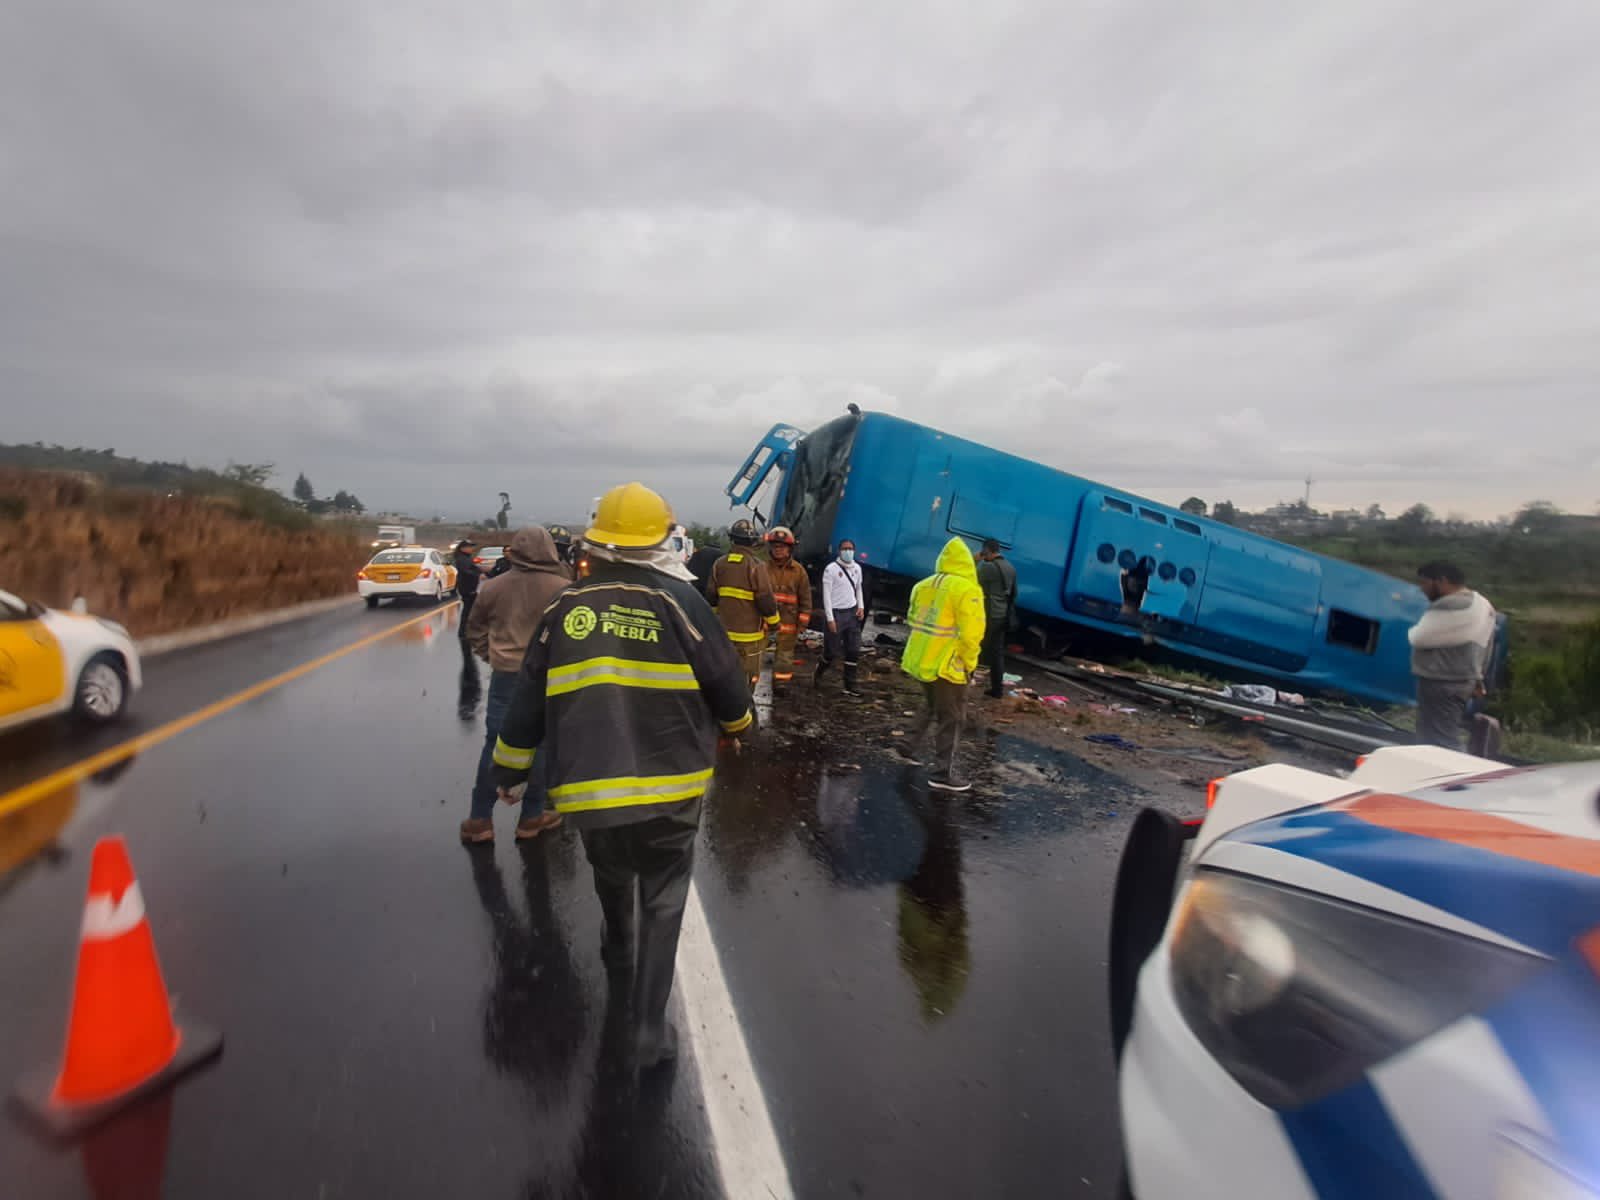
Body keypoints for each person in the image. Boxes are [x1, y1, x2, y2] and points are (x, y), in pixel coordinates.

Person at [492, 482, 754, 1069]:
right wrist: (740, 728)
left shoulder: (566, 608)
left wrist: (507, 772)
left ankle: (617, 946)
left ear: (599, 540)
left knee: (611, 870)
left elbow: (527, 700)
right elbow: (727, 684)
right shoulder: (683, 604)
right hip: (672, 787)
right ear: (662, 537)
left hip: (591, 788)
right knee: (664, 897)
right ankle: (644, 1031)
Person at [461, 526, 572, 844]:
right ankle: (531, 818)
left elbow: (475, 630)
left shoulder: (493, 588)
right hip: (547, 678)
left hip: (506, 677)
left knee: (495, 745)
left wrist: (492, 655)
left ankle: (480, 820)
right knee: (542, 744)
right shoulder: (563, 589)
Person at [898, 538, 986, 791]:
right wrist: (969, 665)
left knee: (931, 703)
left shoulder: (923, 585)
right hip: (948, 665)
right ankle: (941, 774)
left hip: (921, 661)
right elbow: (971, 635)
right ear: (967, 562)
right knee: (953, 717)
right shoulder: (968, 590)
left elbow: (913, 619)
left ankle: (907, 743)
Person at [1409, 561, 1496, 749]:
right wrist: (1478, 678)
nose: (1422, 590)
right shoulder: (1485, 606)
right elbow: (1487, 647)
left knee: (1439, 739)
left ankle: (1457, 776)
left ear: (1442, 581)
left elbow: (1418, 637)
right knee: (1443, 734)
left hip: (1441, 681)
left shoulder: (1448, 604)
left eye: (1425, 583)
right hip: (1465, 681)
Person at [707, 519, 779, 688]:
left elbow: (711, 596)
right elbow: (765, 598)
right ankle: (744, 710)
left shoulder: (719, 564)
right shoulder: (756, 566)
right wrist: (775, 623)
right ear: (753, 542)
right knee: (747, 679)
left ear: (732, 539)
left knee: (725, 676)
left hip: (723, 634)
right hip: (750, 637)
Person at [813, 539, 865, 696]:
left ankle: (850, 685)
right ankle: (819, 672)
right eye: (845, 549)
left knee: (853, 650)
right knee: (832, 652)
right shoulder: (831, 569)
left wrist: (860, 606)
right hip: (836, 613)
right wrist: (830, 619)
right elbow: (826, 596)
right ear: (839, 550)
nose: (848, 551)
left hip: (852, 613)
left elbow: (858, 588)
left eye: (850, 549)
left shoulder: (857, 568)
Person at [763, 526, 813, 689]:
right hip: (764, 623)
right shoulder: (761, 568)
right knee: (755, 654)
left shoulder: (799, 571)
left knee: (784, 655)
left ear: (789, 549)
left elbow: (806, 599)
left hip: (788, 622)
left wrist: (802, 623)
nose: (778, 550)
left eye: (782, 547)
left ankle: (781, 683)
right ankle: (748, 682)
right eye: (775, 546)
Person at [975, 539, 1017, 699]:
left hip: (988, 613)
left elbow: (972, 580)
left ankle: (964, 682)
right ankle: (997, 690)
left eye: (983, 551)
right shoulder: (1011, 568)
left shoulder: (987, 567)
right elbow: (1014, 593)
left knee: (974, 646)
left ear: (987, 550)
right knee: (997, 653)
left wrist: (975, 560)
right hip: (1002, 615)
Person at [453, 538, 483, 635]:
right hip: (466, 587)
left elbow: (474, 568)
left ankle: (467, 629)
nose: (471, 549)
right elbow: (466, 571)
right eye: (469, 547)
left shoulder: (467, 557)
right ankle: (463, 630)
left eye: (471, 547)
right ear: (462, 548)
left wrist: (481, 570)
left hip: (470, 587)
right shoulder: (462, 559)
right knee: (468, 609)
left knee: (471, 609)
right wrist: (478, 574)